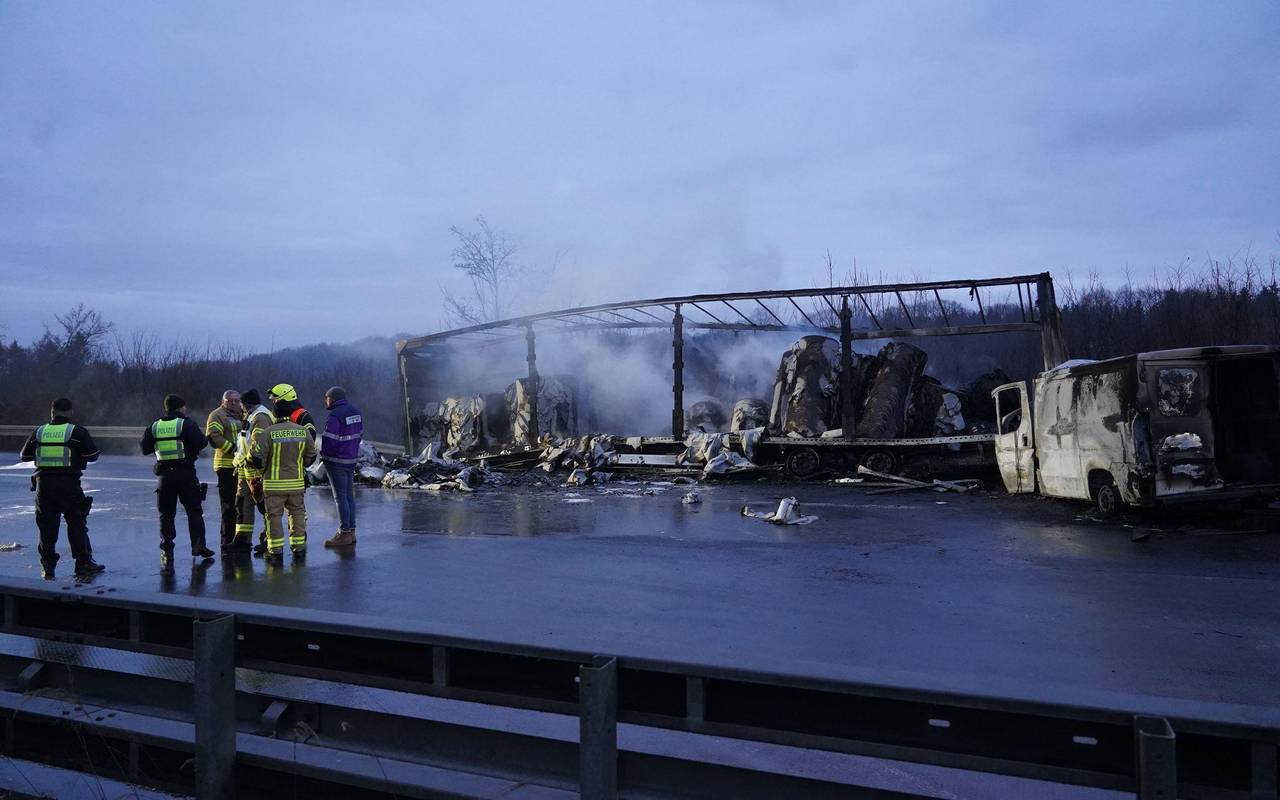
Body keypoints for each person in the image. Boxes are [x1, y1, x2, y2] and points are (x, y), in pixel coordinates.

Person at [19, 398, 106, 579]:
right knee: (76, 524)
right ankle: (83, 564)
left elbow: (24, 456)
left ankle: (48, 567)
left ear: (52, 412)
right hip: (69, 486)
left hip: (44, 486)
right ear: (71, 411)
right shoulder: (77, 432)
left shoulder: (39, 432)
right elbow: (93, 455)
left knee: (47, 528)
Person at [140, 394, 214, 567]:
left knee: (166, 515)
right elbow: (201, 443)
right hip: (185, 474)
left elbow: (145, 449)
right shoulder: (186, 424)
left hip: (165, 476)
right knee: (194, 511)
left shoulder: (155, 426)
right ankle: (198, 546)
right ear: (181, 408)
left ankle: (166, 550)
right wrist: (207, 438)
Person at [250, 396, 317, 564]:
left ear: (274, 414)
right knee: (297, 515)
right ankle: (299, 548)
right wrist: (301, 464)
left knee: (273, 518)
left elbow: (257, 457)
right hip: (296, 484)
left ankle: (276, 552)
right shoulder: (302, 431)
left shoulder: (268, 432)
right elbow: (311, 455)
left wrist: (263, 469)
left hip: (274, 486)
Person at [320, 386, 363, 547]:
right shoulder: (356, 412)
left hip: (336, 461)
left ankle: (344, 534)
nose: (326, 401)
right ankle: (351, 532)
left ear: (333, 399)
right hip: (351, 460)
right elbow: (359, 435)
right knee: (349, 496)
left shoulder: (335, 416)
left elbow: (329, 441)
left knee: (340, 497)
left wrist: (324, 456)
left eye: (327, 398)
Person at [234, 389, 273, 555]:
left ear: (246, 404)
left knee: (265, 507)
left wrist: (252, 463)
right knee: (242, 504)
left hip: (256, 470)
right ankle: (242, 539)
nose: (240, 407)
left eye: (241, 404)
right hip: (245, 468)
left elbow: (258, 445)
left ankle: (269, 539)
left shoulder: (260, 417)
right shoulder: (251, 416)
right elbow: (244, 443)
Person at [205, 390, 244, 553]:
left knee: (242, 505)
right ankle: (227, 540)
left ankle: (240, 540)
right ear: (223, 401)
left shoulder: (244, 414)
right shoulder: (217, 415)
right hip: (226, 466)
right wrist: (234, 450)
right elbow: (214, 437)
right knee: (229, 506)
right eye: (230, 400)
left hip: (242, 466)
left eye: (236, 400)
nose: (234, 403)